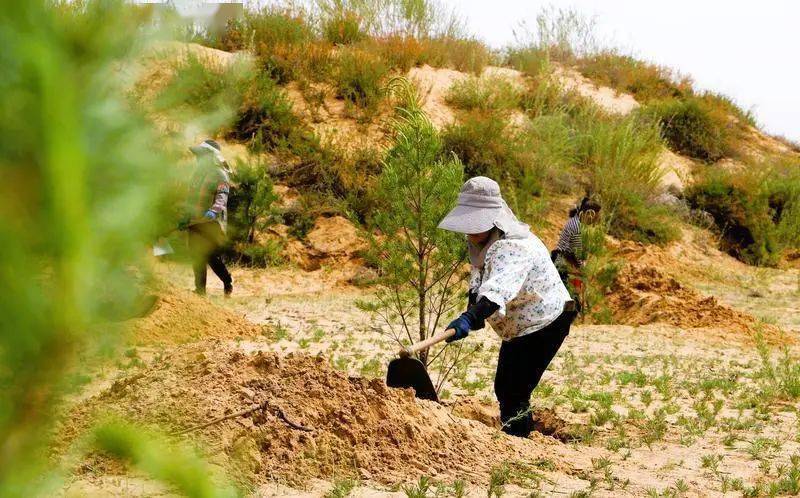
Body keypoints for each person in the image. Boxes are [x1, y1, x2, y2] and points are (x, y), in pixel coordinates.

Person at [438, 177, 576, 438]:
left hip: (546, 321)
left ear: (493, 219)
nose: (469, 231)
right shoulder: (483, 241)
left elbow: (497, 290)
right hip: (519, 324)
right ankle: (517, 438)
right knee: (505, 387)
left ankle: (520, 445)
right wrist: (472, 311)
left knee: (514, 390)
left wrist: (470, 317)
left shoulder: (512, 245)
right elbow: (479, 279)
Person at [184, 139, 233, 297]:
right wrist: (185, 216)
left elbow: (222, 197)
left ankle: (227, 281)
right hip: (195, 220)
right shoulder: (197, 174)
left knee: (211, 256)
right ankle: (200, 291)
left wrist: (214, 210)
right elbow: (190, 198)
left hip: (211, 222)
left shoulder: (221, 175)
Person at [550, 196, 601, 310]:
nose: (597, 219)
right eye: (596, 215)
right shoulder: (577, 227)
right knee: (569, 296)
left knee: (567, 296)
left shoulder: (577, 222)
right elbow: (577, 253)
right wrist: (583, 268)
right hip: (563, 261)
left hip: (564, 259)